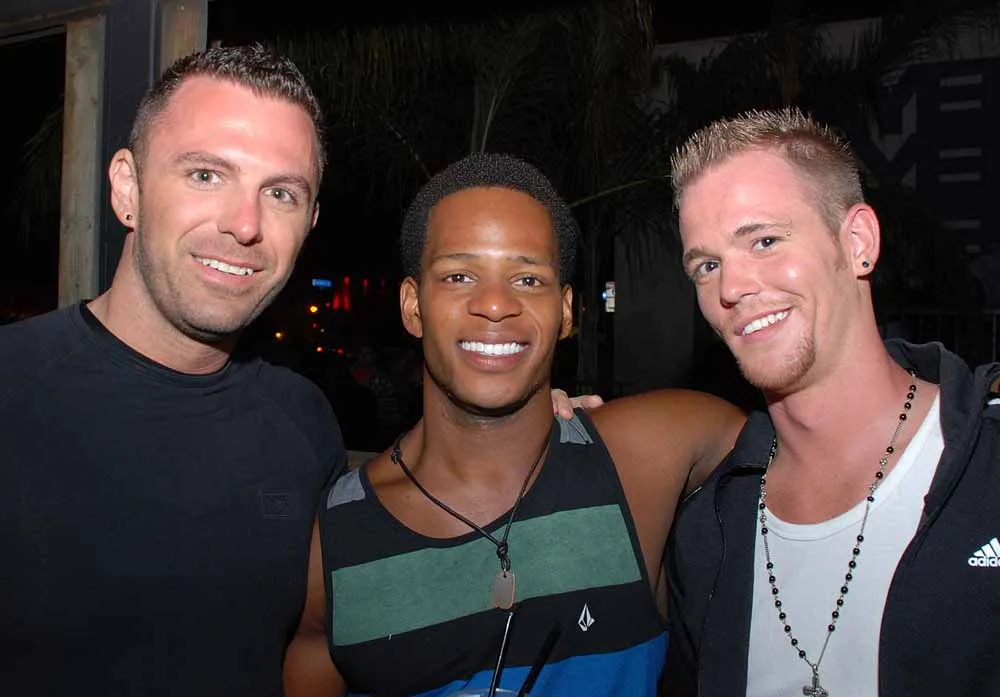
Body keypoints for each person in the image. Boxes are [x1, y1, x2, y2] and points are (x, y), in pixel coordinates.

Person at [283, 153, 745, 696]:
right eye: (459, 276)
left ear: (565, 312)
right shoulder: (333, 542)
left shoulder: (648, 455)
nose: (496, 304)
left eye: (527, 278)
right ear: (413, 306)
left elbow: (815, 445)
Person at [0, 45, 345, 695]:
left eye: (280, 193)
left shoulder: (305, 421)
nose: (245, 225)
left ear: (310, 223)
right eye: (206, 175)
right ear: (127, 189)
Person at [664, 108, 1000, 696]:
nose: (731, 288)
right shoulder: (707, 532)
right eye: (708, 265)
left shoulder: (985, 465)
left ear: (858, 242)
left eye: (765, 241)